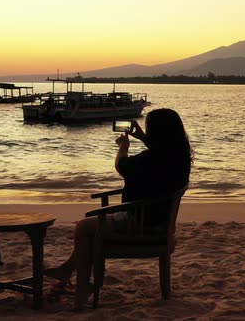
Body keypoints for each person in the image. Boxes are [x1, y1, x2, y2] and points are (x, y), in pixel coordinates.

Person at [46, 108, 192, 310]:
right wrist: (141, 136)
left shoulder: (151, 159)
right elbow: (160, 151)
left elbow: (122, 166)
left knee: (82, 227)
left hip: (140, 223)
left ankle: (81, 287)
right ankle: (68, 273)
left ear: (155, 133)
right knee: (90, 233)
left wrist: (123, 146)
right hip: (162, 223)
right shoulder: (179, 156)